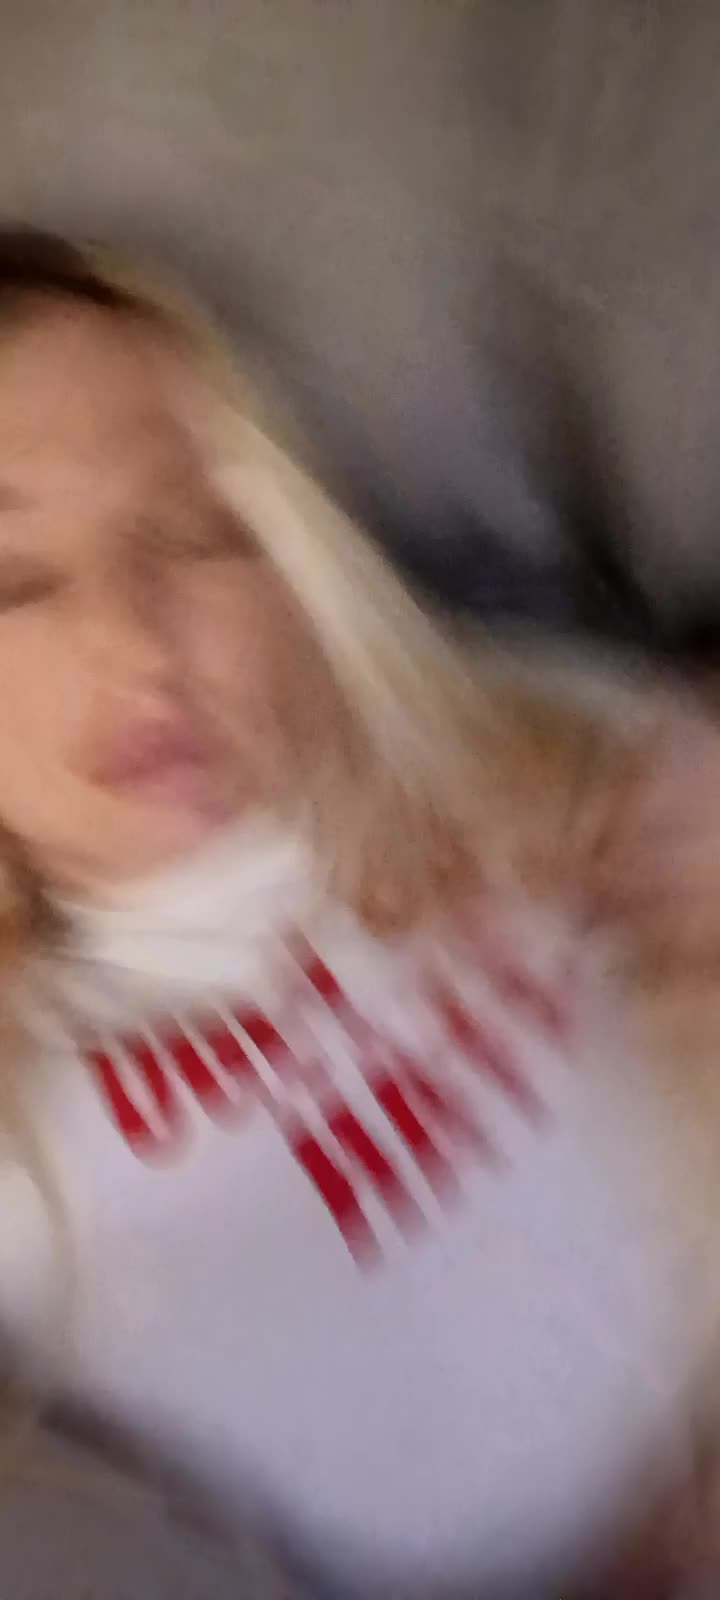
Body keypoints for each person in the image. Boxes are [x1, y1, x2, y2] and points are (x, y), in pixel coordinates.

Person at [0, 227, 717, 1599]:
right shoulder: (29, 1163)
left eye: (191, 532)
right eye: (14, 582)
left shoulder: (530, 738)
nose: (137, 641)